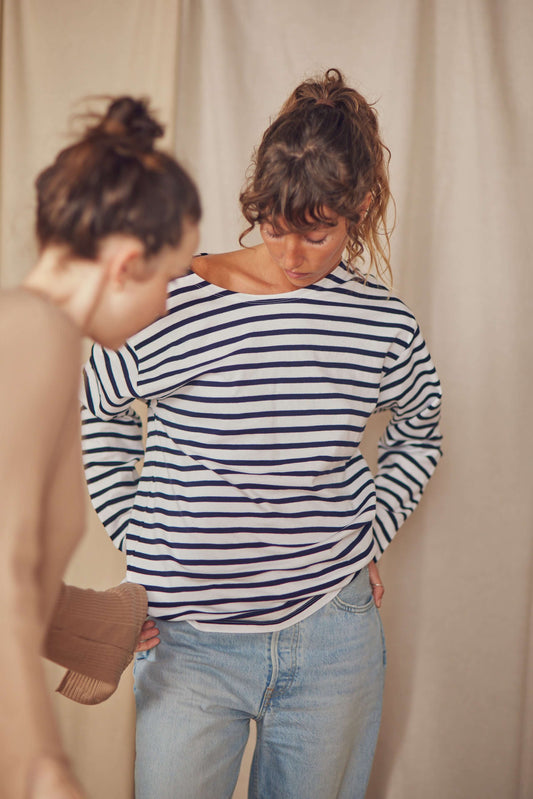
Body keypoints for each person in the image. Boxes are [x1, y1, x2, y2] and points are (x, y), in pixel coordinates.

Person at [81, 69, 442, 799]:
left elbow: (420, 426)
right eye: (275, 226)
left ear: (360, 208)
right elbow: (99, 410)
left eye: (316, 233)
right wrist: (138, 536)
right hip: (185, 644)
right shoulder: (165, 299)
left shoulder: (380, 322)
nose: (291, 253)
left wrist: (368, 532)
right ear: (257, 204)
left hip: (330, 638)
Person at [0, 96, 200, 798]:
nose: (170, 305)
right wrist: (42, 769)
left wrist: (101, 620)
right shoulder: (37, 336)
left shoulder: (30, 332)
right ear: (123, 264)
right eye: (171, 279)